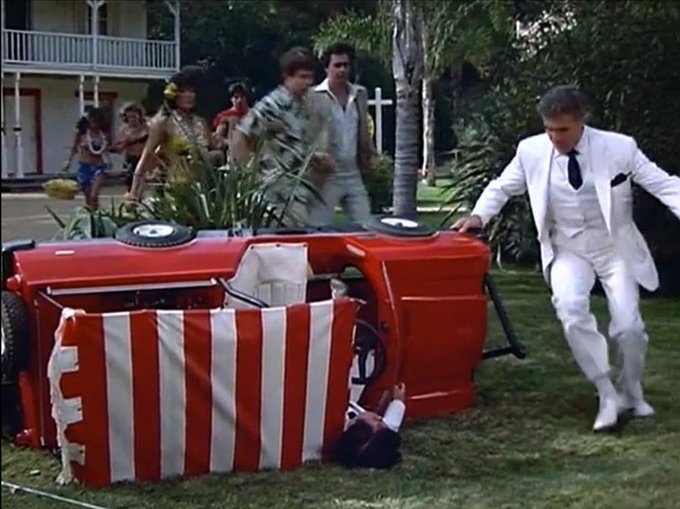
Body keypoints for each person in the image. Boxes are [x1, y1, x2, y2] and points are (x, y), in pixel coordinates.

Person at [453, 85, 680, 432]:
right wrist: (478, 216)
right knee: (571, 309)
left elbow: (664, 185)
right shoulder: (531, 151)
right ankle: (605, 391)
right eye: (549, 129)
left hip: (614, 249)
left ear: (581, 122)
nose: (555, 137)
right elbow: (502, 186)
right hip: (567, 248)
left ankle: (631, 389)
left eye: (562, 129)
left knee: (629, 328)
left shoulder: (619, 148)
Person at [232, 46, 334, 225]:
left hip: (298, 192)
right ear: (288, 76)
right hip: (275, 195)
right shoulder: (274, 104)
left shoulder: (305, 105)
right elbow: (240, 137)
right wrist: (251, 174)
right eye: (302, 77)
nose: (307, 82)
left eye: (310, 77)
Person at [127, 66, 221, 202]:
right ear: (174, 95)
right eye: (183, 91)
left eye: (192, 91)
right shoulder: (164, 122)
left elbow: (214, 150)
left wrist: (215, 154)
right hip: (177, 191)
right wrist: (134, 193)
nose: (189, 95)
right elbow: (146, 157)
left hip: (204, 191)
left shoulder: (201, 122)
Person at [308, 42, 375, 226]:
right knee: (317, 228)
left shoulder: (359, 94)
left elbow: (362, 127)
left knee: (366, 227)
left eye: (346, 65)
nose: (342, 70)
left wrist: (369, 153)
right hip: (327, 175)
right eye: (337, 65)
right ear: (326, 68)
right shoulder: (313, 97)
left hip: (353, 172)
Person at [332, 383, 406, 469]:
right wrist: (398, 401)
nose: (379, 418)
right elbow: (390, 425)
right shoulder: (372, 435)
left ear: (359, 428)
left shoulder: (335, 418)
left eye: (378, 421)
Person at [62, 107, 111, 209]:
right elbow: (74, 148)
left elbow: (105, 149)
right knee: (88, 196)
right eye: (92, 121)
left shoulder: (103, 134)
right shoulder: (81, 133)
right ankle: (93, 213)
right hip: (84, 166)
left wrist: (108, 160)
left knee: (94, 195)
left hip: (98, 166)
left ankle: (95, 210)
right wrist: (68, 162)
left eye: (96, 121)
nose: (94, 124)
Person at [111, 102, 148, 196]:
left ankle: (139, 197)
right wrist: (126, 142)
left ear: (139, 116)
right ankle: (132, 198)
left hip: (143, 158)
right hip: (130, 158)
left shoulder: (146, 128)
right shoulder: (124, 130)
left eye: (134, 116)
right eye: (129, 117)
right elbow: (119, 148)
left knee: (142, 183)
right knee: (130, 184)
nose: (132, 119)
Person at [212, 81, 251, 161]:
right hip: (233, 151)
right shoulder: (225, 116)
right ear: (231, 99)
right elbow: (218, 138)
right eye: (236, 97)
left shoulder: (254, 114)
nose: (239, 100)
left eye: (242, 97)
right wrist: (232, 143)